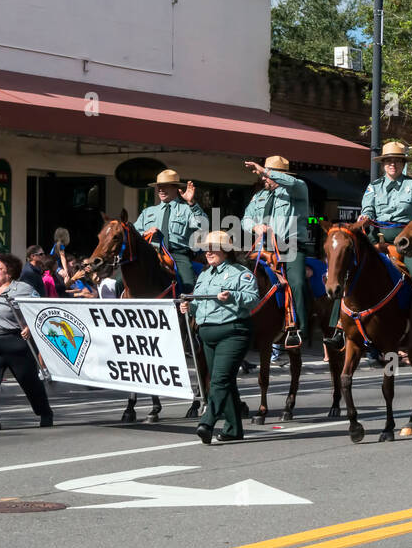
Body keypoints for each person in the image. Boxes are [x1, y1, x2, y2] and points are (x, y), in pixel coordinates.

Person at [325, 142, 412, 352]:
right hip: (376, 240)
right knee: (348, 268)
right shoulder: (374, 187)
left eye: (398, 161)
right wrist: (364, 219)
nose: (393, 164)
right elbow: (367, 211)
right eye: (389, 161)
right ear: (383, 165)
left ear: (403, 164)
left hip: (405, 240)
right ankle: (338, 328)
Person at [180, 230, 258, 443]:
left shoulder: (240, 273)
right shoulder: (204, 275)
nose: (208, 252)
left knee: (218, 380)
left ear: (225, 250)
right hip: (207, 334)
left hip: (233, 332)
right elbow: (200, 305)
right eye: (206, 248)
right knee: (226, 381)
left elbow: (253, 299)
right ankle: (233, 429)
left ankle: (207, 421)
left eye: (213, 248)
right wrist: (190, 306)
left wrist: (233, 295)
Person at [0, 253, 52, 431]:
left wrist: (29, 326)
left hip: (14, 341)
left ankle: (44, 412)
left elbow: (40, 307)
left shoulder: (23, 288)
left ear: (10, 271)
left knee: (28, 381)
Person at [242, 155, 311, 349]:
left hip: (291, 246)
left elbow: (291, 182)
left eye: (267, 175)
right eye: (263, 175)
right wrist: (254, 227)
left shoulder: (297, 190)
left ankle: (299, 327)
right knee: (243, 276)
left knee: (296, 281)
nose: (264, 178)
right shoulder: (259, 196)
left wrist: (264, 170)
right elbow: (245, 218)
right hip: (263, 248)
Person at [133, 169, 207, 293]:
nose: (160, 190)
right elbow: (133, 234)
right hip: (151, 254)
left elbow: (203, 225)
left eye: (165, 186)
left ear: (176, 188)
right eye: (159, 187)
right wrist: (145, 234)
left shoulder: (187, 209)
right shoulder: (148, 211)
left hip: (177, 255)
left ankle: (186, 310)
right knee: (120, 282)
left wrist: (192, 203)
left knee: (188, 284)